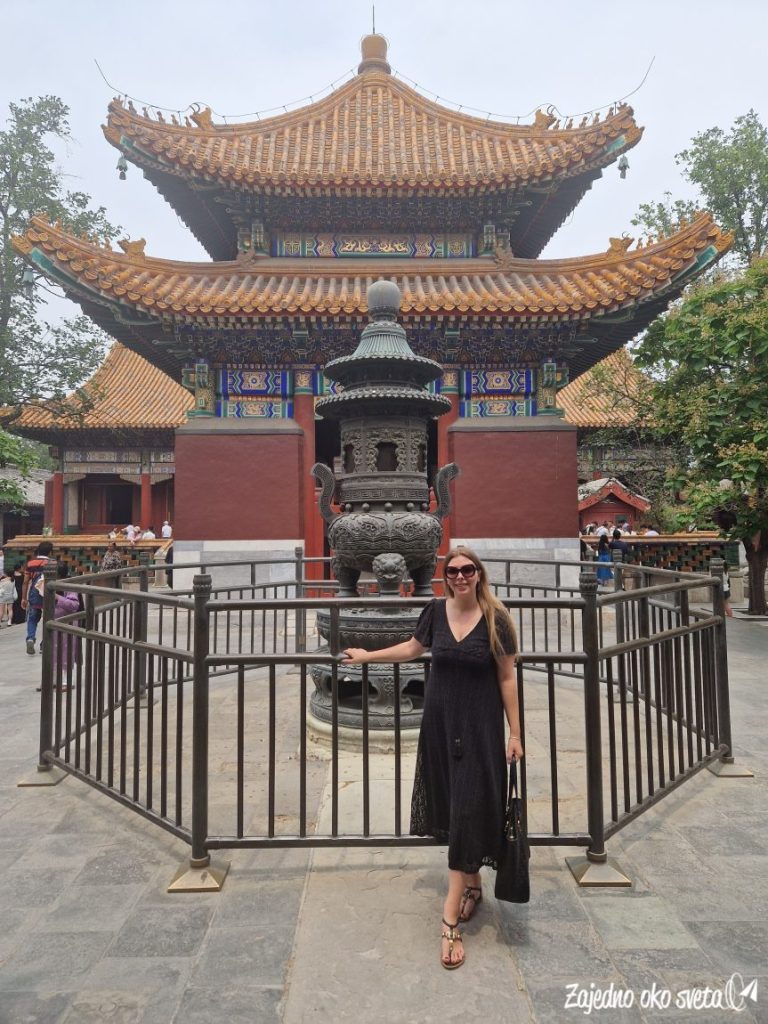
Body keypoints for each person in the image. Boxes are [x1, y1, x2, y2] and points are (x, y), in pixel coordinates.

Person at [342, 546, 522, 970]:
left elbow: (507, 677)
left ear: (479, 574)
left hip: (479, 730)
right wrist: (368, 657)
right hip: (440, 728)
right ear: (446, 576)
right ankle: (473, 885)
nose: (460, 576)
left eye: (467, 570)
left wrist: (515, 733)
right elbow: (411, 648)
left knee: (468, 808)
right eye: (453, 570)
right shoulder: (435, 612)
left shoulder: (496, 619)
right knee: (456, 807)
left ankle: (449, 917)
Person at [21, 541, 53, 655]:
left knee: (32, 618)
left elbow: (25, 582)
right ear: (50, 552)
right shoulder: (53, 563)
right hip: (49, 594)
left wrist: (23, 598)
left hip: (34, 594)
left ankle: (30, 638)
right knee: (48, 619)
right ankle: (44, 644)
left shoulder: (30, 564)